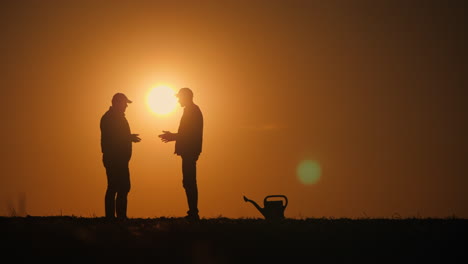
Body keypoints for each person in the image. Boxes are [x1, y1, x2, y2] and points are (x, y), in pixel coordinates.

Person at [159, 87, 203, 221]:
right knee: (188, 181)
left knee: (189, 181)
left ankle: (193, 213)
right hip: (189, 150)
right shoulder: (191, 111)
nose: (178, 100)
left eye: (179, 97)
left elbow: (189, 134)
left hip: (190, 150)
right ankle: (193, 212)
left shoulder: (192, 112)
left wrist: (173, 136)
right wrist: (173, 136)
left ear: (186, 97)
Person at [100, 93, 141, 220]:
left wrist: (129, 137)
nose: (126, 107)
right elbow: (113, 137)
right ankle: (114, 217)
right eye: (124, 104)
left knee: (121, 186)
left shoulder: (115, 117)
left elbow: (118, 135)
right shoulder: (110, 118)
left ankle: (117, 216)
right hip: (114, 159)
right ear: (117, 103)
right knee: (115, 186)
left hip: (120, 159)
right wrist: (129, 138)